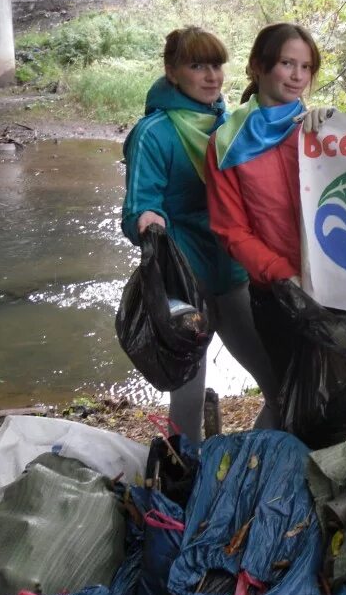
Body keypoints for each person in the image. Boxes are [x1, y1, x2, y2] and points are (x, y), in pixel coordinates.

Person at [204, 22, 346, 448]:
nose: (297, 75)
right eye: (287, 63)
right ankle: (305, 496)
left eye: (306, 67)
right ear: (258, 66)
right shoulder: (225, 144)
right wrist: (280, 272)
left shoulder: (319, 131)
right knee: (306, 407)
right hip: (279, 297)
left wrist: (338, 131)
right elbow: (230, 230)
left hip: (344, 284)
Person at [121, 26, 282, 443]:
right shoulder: (153, 134)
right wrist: (147, 221)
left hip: (231, 272)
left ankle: (240, 468)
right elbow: (136, 209)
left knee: (281, 385)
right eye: (198, 66)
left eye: (216, 66)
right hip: (183, 286)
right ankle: (187, 482)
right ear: (172, 72)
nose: (211, 76)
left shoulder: (231, 122)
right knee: (187, 400)